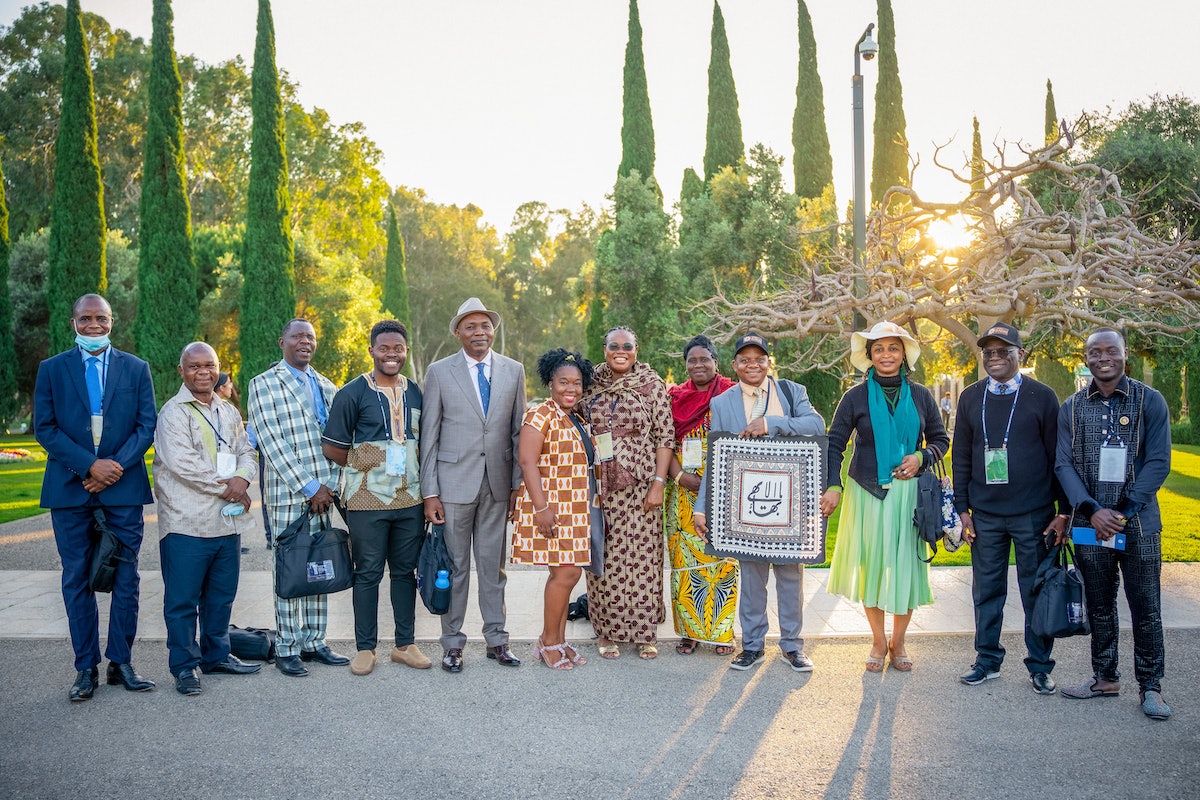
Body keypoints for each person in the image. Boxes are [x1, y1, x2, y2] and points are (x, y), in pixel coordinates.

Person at [34, 294, 158, 701]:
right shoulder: (52, 369)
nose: (93, 326)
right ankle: (84, 668)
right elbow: (45, 428)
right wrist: (89, 466)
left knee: (126, 577)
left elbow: (145, 426)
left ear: (112, 321)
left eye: (100, 319)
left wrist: (112, 468)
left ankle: (120, 663)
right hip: (70, 489)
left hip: (122, 489)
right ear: (73, 322)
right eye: (85, 319)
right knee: (76, 579)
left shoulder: (136, 369)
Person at [1055, 328, 1173, 720]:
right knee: (1100, 605)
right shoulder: (1071, 408)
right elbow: (1063, 465)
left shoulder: (1149, 400)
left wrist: (1121, 511)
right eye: (1094, 352)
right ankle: (1105, 677)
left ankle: (1151, 687)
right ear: (1086, 358)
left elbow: (1159, 462)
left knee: (1146, 608)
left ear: (1124, 354)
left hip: (1138, 525)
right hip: (1090, 526)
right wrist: (1092, 510)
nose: (1103, 357)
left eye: (1111, 350)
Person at [821, 321, 949, 673]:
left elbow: (941, 439)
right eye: (879, 349)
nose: (886, 355)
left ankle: (899, 641)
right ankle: (878, 641)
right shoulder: (855, 397)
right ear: (870, 356)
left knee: (906, 568)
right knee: (873, 568)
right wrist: (834, 484)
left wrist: (922, 457)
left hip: (910, 496)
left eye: (893, 348)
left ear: (904, 354)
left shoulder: (922, 395)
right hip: (868, 494)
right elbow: (835, 442)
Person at [693, 333, 826, 672]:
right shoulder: (723, 403)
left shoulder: (791, 392)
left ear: (769, 362)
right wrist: (702, 506)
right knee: (751, 577)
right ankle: (752, 646)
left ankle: (793, 646)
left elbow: (816, 425)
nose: (752, 364)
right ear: (735, 365)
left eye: (759, 358)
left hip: (790, 504)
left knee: (790, 575)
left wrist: (772, 423)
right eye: (744, 358)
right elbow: (716, 457)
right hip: (744, 506)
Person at [952, 322, 1069, 694]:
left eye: (1004, 351)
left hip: (1033, 514)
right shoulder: (971, 397)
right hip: (984, 514)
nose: (995, 358)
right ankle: (987, 660)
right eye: (989, 352)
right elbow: (962, 458)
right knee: (986, 591)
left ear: (1022, 355)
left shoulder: (1043, 396)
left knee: (1036, 590)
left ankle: (1039, 665)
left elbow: (1058, 457)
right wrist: (963, 508)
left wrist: (1062, 511)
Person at [420, 298, 527, 673]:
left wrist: (517, 485)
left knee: (493, 568)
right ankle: (452, 644)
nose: (479, 332)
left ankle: (497, 639)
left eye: (485, 325)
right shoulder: (438, 372)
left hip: (497, 486)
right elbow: (428, 436)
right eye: (470, 326)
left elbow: (517, 432)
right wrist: (429, 492)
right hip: (451, 487)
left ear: (492, 330)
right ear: (458, 333)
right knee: (456, 568)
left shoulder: (514, 371)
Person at [321, 320, 430, 676]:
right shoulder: (352, 393)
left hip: (410, 498)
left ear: (406, 351)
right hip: (366, 500)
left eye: (398, 348)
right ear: (371, 351)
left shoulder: (416, 391)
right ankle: (365, 648)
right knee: (366, 573)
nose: (391, 354)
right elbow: (331, 447)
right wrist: (367, 459)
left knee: (404, 573)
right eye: (384, 348)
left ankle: (404, 644)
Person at [154, 342, 262, 696]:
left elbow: (246, 450)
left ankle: (217, 655)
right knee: (183, 601)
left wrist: (243, 479)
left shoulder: (228, 410)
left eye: (210, 365)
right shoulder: (173, 413)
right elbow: (183, 465)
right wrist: (230, 488)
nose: (203, 372)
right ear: (182, 370)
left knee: (220, 596)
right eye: (194, 366)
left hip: (225, 522)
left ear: (218, 368)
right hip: (187, 523)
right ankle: (185, 666)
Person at [247, 318, 349, 677]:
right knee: (290, 569)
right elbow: (271, 443)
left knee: (319, 565)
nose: (304, 341)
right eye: (297, 336)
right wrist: (310, 487)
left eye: (310, 336)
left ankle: (314, 642)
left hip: (325, 496)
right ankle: (288, 646)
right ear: (282, 341)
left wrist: (331, 487)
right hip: (289, 494)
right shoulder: (263, 384)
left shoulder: (327, 386)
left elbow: (340, 442)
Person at [584, 326, 674, 660]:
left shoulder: (652, 385)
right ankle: (606, 632)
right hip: (600, 485)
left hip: (641, 486)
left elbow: (665, 437)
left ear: (637, 349)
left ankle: (643, 632)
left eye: (628, 346)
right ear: (604, 348)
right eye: (614, 345)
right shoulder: (589, 383)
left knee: (642, 558)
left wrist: (658, 483)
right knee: (605, 556)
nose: (620, 350)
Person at [512, 348, 599, 670]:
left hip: (575, 508)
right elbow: (527, 461)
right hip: (551, 506)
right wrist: (541, 508)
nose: (571, 389)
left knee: (569, 574)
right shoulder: (540, 414)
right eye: (564, 382)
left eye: (577, 383)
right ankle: (549, 642)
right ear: (550, 382)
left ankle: (558, 639)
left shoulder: (575, 416)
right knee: (564, 574)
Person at [665, 334, 738, 656]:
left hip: (725, 489)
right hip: (682, 493)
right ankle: (688, 632)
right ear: (685, 365)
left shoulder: (732, 394)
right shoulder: (673, 399)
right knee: (684, 562)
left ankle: (722, 633)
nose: (698, 365)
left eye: (704, 359)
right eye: (692, 360)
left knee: (724, 562)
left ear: (715, 362)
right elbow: (663, 442)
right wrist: (681, 477)